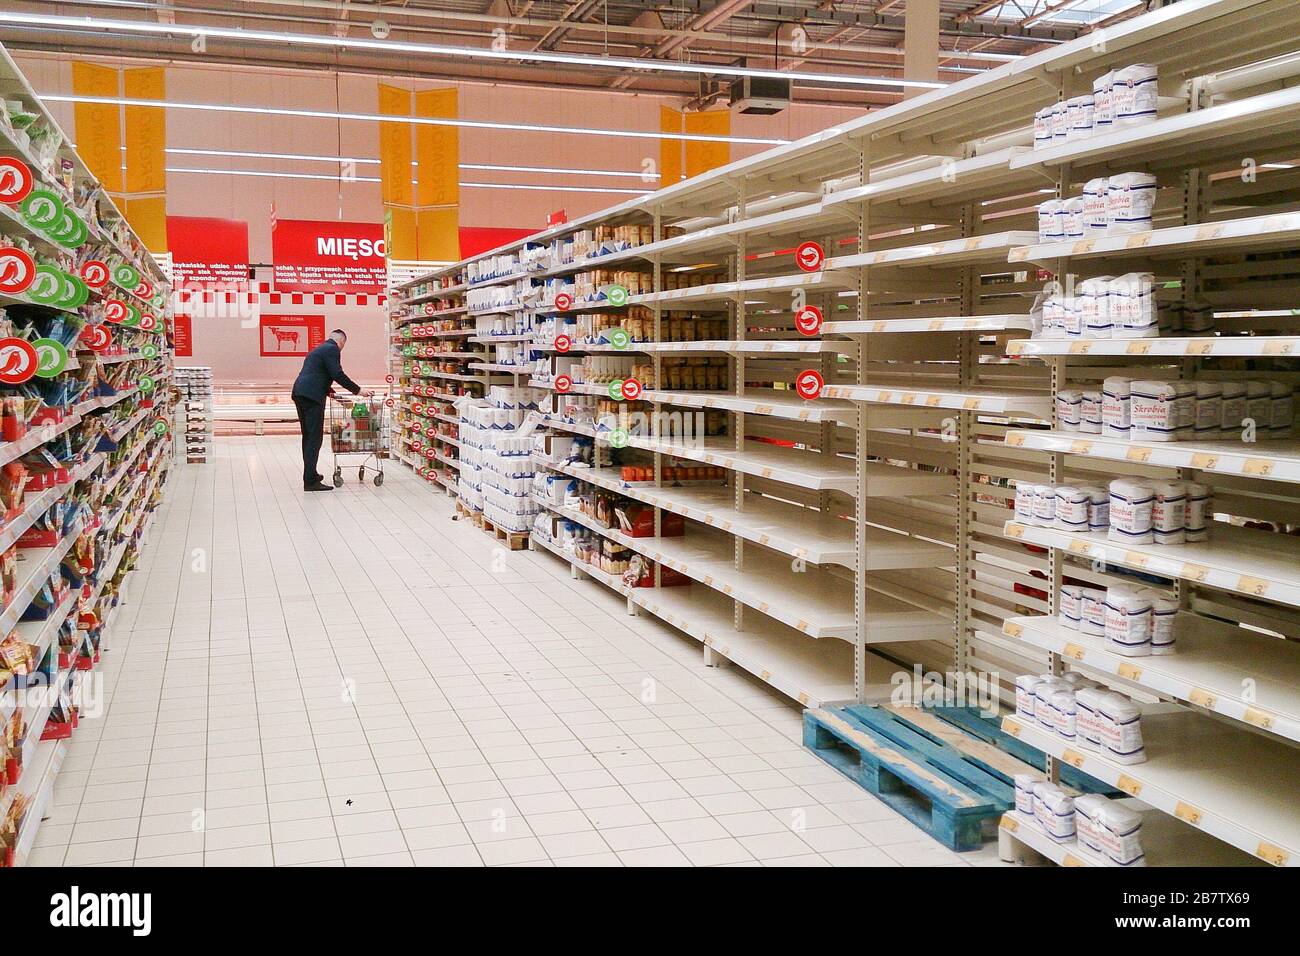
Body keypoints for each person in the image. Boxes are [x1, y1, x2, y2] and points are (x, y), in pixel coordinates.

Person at [291, 329, 370, 491]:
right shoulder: (332, 349)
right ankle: (311, 481)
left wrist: (337, 397)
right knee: (314, 438)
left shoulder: (318, 350)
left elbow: (318, 376)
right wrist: (358, 390)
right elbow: (337, 374)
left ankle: (310, 475)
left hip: (301, 392)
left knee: (308, 437)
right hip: (312, 397)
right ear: (341, 341)